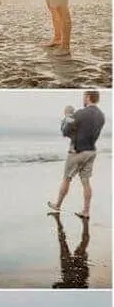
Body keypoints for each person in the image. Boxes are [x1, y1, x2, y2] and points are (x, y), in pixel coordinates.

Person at [48, 90, 105, 219]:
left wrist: (67, 116)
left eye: (84, 97)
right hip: (91, 151)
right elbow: (88, 131)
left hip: (77, 151)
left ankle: (57, 205)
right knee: (86, 182)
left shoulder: (80, 113)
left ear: (88, 97)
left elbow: (65, 131)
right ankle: (86, 211)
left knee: (67, 178)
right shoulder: (102, 116)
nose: (83, 99)